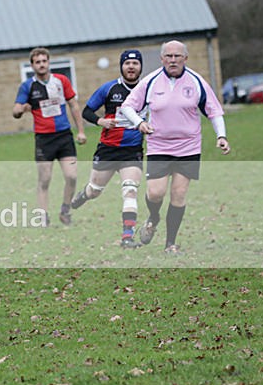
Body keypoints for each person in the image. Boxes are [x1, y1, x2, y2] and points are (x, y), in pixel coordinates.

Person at [119, 40, 231, 254]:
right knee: (155, 193)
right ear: (162, 59)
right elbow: (127, 106)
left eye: (177, 56)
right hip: (159, 146)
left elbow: (214, 111)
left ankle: (170, 243)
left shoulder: (197, 81)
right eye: (168, 56)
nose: (172, 60)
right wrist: (140, 123)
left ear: (185, 58)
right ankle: (154, 217)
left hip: (188, 148)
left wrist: (221, 136)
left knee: (178, 195)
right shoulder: (150, 81)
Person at [70, 50, 146, 248]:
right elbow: (87, 111)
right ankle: (84, 194)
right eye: (127, 63)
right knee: (95, 190)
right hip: (108, 150)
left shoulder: (148, 89)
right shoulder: (109, 88)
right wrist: (101, 121)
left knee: (130, 190)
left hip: (132, 150)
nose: (131, 67)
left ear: (140, 67)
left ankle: (127, 237)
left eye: (135, 63)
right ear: (121, 66)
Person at [13, 47, 86, 226]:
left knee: (72, 176)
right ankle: (43, 215)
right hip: (44, 139)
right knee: (44, 179)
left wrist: (81, 131)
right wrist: (21, 109)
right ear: (32, 65)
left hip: (64, 136)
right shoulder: (27, 86)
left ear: (49, 62)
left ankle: (65, 209)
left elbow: (74, 106)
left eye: (44, 61)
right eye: (38, 62)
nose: (42, 65)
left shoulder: (61, 81)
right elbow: (16, 110)